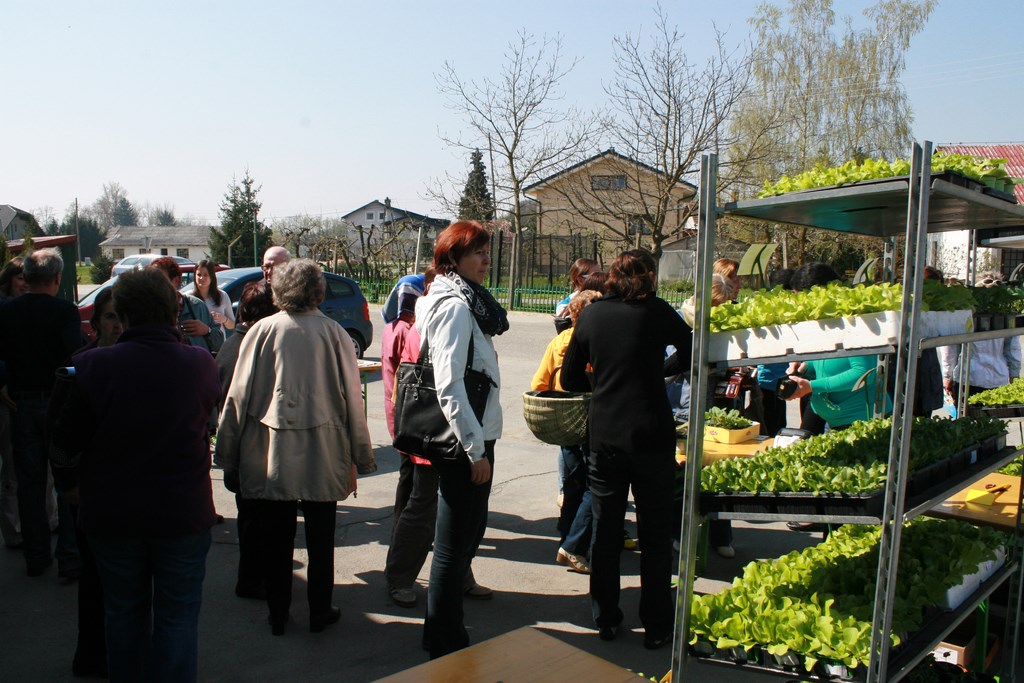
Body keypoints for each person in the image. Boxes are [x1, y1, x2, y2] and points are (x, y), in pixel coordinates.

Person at [49, 268, 220, 683]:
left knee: (123, 613)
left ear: (122, 314)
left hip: (113, 515)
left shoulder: (91, 366)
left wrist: (70, 485)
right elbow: (208, 420)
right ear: (173, 310)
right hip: (182, 513)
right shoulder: (199, 363)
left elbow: (64, 441)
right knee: (178, 616)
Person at [215, 259, 376, 636]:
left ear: (279, 291)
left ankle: (278, 614)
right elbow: (353, 402)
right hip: (325, 451)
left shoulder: (260, 332)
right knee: (321, 538)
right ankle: (319, 611)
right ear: (318, 291)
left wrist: (227, 450)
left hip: (272, 452)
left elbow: (237, 397)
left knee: (276, 538)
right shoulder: (335, 333)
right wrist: (361, 456)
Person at [561, 248, 692, 650]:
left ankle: (606, 617)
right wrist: (659, 372)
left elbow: (569, 378)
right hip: (652, 434)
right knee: (654, 534)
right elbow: (691, 351)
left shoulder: (592, 315)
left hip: (606, 435)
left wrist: (603, 384)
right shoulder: (658, 311)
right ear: (649, 276)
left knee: (605, 531)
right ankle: (657, 624)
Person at [417, 220, 507, 658]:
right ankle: (444, 639)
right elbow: (449, 385)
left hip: (472, 432)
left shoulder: (462, 299)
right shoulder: (454, 306)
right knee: (453, 546)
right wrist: (475, 450)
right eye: (477, 253)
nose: (487, 260)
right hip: (465, 439)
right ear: (452, 258)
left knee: (460, 540)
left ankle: (445, 632)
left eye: (487, 251)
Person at [50, 287, 123, 677]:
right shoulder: (78, 365)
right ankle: (92, 656)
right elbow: (57, 431)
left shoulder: (135, 364)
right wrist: (68, 484)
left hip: (127, 489)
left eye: (123, 317)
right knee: (94, 577)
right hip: (89, 489)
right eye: (110, 317)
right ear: (94, 325)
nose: (118, 325)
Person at [0, 248, 83, 578]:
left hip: (20, 403)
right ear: (57, 278)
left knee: (29, 483)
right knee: (65, 479)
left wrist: (2, 382)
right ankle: (69, 556)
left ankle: (36, 556)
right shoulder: (65, 311)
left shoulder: (8, 311)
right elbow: (74, 356)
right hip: (58, 402)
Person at [214, 281, 277, 601]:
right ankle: (252, 580)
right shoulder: (252, 349)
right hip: (252, 452)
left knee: (249, 519)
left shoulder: (232, 344)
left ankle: (252, 576)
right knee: (257, 522)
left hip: (236, 451)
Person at [531, 289, 603, 574]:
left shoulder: (558, 342)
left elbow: (539, 383)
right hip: (590, 420)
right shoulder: (595, 342)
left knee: (573, 482)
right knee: (594, 484)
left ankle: (566, 536)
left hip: (564, 422)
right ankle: (575, 544)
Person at [782, 263, 892, 434]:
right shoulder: (823, 321)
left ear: (819, 292)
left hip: (863, 421)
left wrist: (812, 385)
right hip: (834, 420)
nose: (798, 304)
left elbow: (863, 372)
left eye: (799, 297)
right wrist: (805, 367)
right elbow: (825, 358)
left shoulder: (854, 320)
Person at [940, 272, 1021, 400]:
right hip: (997, 377)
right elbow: (1012, 349)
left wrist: (947, 376)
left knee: (966, 411)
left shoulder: (965, 314)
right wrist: (1014, 374)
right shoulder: (1004, 316)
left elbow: (951, 350)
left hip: (969, 376)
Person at [147, 257, 222, 355]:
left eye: (159, 279)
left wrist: (206, 331)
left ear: (176, 280)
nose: (153, 284)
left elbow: (219, 343)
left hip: (195, 363)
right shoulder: (147, 311)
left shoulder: (196, 306)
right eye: (151, 279)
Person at [756, 268, 795, 436]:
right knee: (770, 425)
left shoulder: (771, 305)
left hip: (778, 376)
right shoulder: (774, 308)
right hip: (769, 378)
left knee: (777, 422)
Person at [189, 259, 235, 338]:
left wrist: (224, 319)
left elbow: (232, 325)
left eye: (205, 275)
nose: (201, 278)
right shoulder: (188, 297)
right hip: (196, 342)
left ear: (212, 277)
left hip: (217, 342)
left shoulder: (222, 296)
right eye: (199, 275)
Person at [554, 258, 599, 332]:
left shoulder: (604, 296)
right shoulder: (564, 306)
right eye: (596, 276)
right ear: (580, 280)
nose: (601, 278)